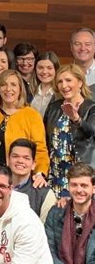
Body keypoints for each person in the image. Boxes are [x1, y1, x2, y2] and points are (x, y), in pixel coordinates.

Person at [45, 64, 95, 197]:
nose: (63, 85)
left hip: (81, 177)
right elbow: (45, 139)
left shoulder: (91, 108)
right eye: (60, 81)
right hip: (56, 176)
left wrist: (77, 119)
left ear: (80, 82)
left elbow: (91, 132)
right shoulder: (54, 107)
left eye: (68, 80)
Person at [46, 162, 95, 264]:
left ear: (93, 188)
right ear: (68, 186)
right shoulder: (56, 213)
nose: (79, 190)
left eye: (84, 185)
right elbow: (47, 249)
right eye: (74, 185)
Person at [8, 139, 56, 223]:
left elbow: (46, 231)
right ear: (8, 160)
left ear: (33, 164)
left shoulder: (44, 194)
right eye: (15, 156)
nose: (20, 161)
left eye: (26, 158)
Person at [31, 51, 60, 117]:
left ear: (56, 70)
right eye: (40, 68)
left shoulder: (61, 94)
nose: (44, 72)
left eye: (49, 68)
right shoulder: (29, 91)